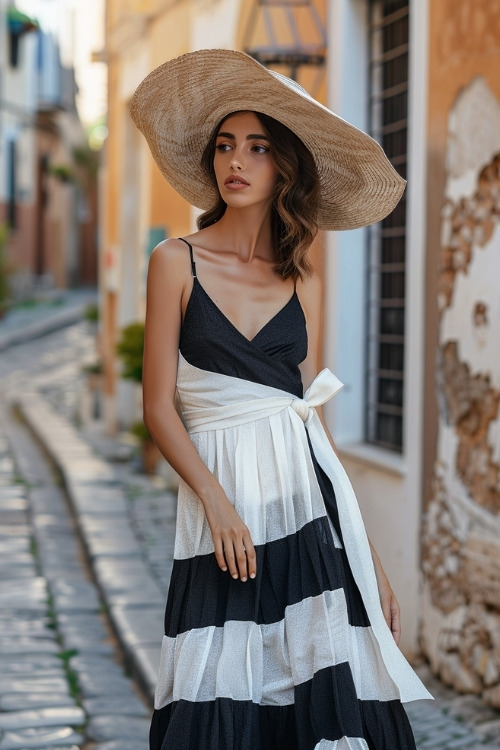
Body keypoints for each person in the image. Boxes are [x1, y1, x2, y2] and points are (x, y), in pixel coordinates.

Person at [130, 48, 432, 750]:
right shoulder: (176, 260)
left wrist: (369, 559)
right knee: (216, 699)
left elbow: (311, 429)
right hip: (223, 520)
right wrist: (214, 499)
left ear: (283, 168)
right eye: (226, 146)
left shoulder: (306, 284)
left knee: (325, 702)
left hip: (305, 515)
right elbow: (157, 407)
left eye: (258, 148)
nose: (236, 161)